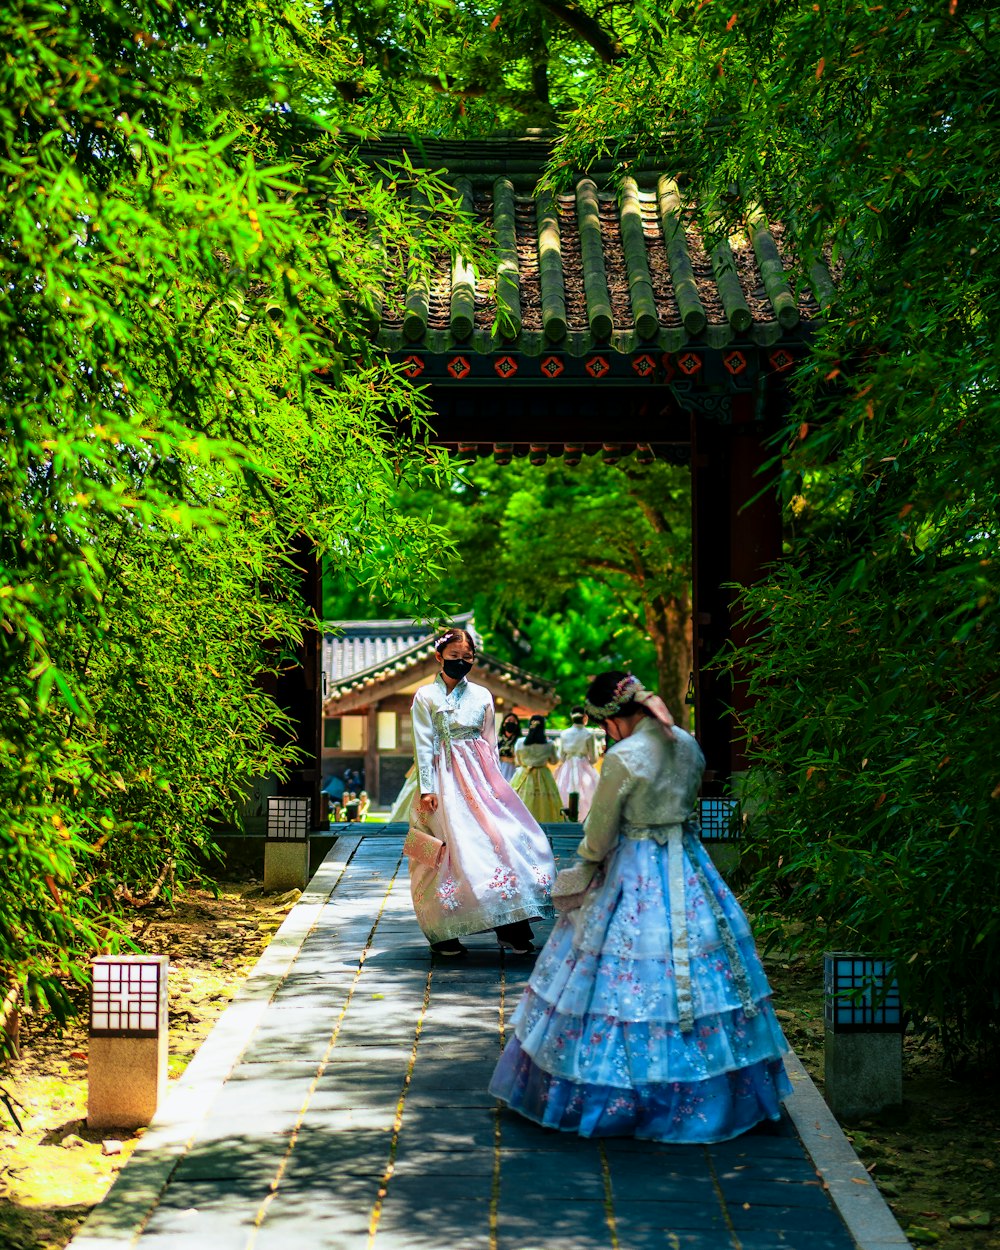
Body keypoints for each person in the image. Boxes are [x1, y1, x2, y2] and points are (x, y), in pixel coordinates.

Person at [489, 670, 792, 1143]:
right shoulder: (687, 743)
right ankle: (714, 1088)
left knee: (617, 975)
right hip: (688, 863)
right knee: (703, 964)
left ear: (611, 719)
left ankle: (619, 1095)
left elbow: (601, 829)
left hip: (635, 867)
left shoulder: (626, 757)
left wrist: (585, 867)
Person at [408, 626, 556, 957]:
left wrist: (497, 782)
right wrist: (427, 788)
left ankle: (512, 926)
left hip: (479, 779)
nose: (461, 663)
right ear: (438, 657)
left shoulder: (483, 696)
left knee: (500, 842)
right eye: (454, 657)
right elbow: (422, 743)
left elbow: (489, 743)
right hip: (441, 782)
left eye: (467, 657)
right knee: (442, 853)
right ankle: (442, 932)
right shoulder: (425, 697)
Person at [511, 715, 564, 824]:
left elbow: (518, 761)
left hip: (524, 774)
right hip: (543, 775)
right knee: (544, 806)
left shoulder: (520, 742)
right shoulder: (549, 744)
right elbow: (554, 761)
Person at [554, 706, 600, 820]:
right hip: (584, 765)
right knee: (588, 794)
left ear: (571, 716)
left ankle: (567, 819)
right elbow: (594, 758)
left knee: (563, 791)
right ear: (585, 717)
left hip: (567, 766)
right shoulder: (589, 734)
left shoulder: (564, 734)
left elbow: (561, 756)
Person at [497, 712, 522, 782]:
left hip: (514, 768)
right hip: (499, 768)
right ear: (504, 723)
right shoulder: (497, 739)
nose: (511, 723)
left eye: (513, 721)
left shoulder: (519, 740)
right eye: (509, 721)